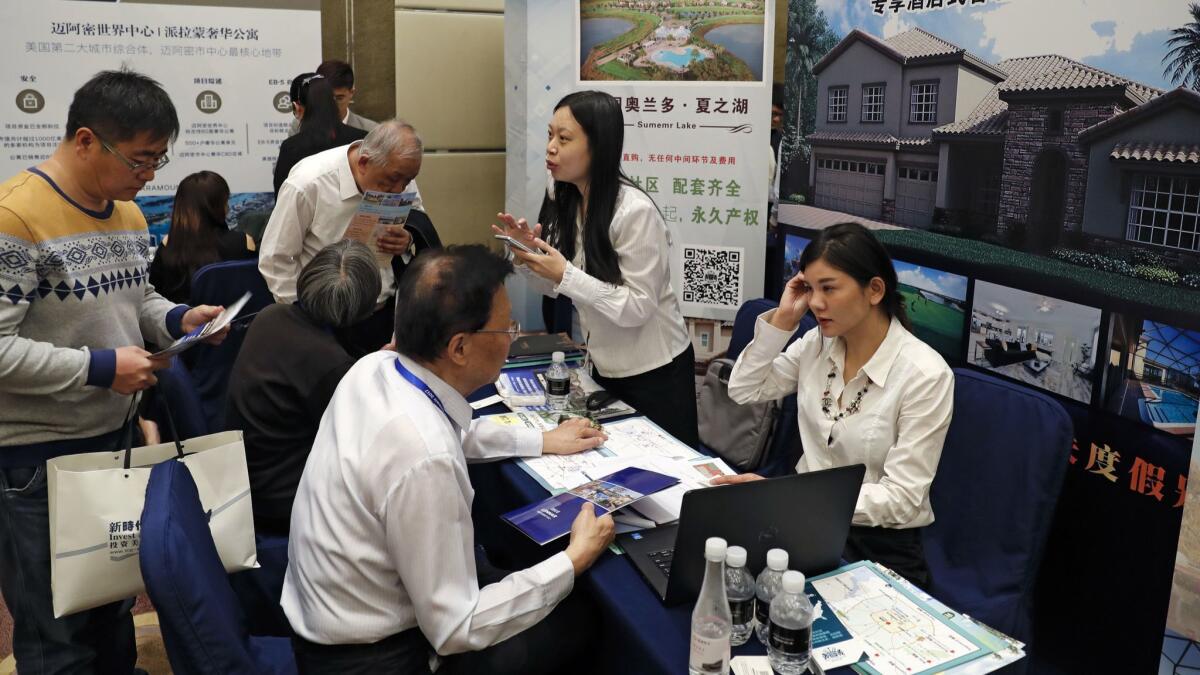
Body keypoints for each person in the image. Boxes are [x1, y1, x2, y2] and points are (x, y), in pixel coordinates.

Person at [282, 245, 614, 673]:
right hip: (372, 657)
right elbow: (456, 627)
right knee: (579, 620)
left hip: (330, 609)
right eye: (504, 329)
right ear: (459, 348)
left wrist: (541, 440)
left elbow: (452, 429)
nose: (511, 338)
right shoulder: (425, 458)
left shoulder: (376, 367)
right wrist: (573, 560)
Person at [0, 69, 227, 675]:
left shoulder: (126, 215)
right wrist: (103, 368)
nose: (149, 175)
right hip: (38, 458)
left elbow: (136, 299)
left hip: (114, 441)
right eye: (140, 159)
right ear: (84, 140)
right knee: (58, 633)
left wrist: (180, 317)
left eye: (158, 159)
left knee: (111, 605)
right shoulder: (16, 218)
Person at [712, 222, 954, 589]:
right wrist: (783, 320)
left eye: (828, 288)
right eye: (809, 288)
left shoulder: (925, 374)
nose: (815, 303)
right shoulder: (816, 343)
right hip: (801, 522)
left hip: (876, 542)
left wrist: (795, 500)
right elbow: (744, 390)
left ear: (874, 290)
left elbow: (902, 499)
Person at [494, 90, 699, 447]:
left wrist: (565, 274)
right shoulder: (566, 197)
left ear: (598, 146)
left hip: (656, 374)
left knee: (666, 482)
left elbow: (637, 308)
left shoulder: (633, 211)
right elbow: (556, 287)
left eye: (564, 138)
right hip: (603, 367)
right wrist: (526, 257)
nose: (551, 148)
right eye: (549, 135)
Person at [260, 119, 427, 355]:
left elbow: (419, 221)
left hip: (383, 314)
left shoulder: (397, 173)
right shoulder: (308, 183)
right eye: (392, 181)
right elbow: (275, 258)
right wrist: (301, 317)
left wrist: (408, 239)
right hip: (324, 321)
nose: (400, 189)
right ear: (363, 163)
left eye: (407, 181)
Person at [148, 170, 256, 304]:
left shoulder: (168, 244)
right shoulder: (244, 242)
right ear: (222, 205)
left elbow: (154, 298)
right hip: (235, 321)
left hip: (180, 322)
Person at [274, 75, 367, 195]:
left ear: (297, 107)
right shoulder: (361, 140)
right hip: (356, 213)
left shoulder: (291, 148)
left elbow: (282, 198)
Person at [287, 59, 378, 137]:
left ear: (351, 93)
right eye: (326, 97)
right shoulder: (299, 126)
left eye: (339, 98)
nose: (331, 105)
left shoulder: (370, 131)